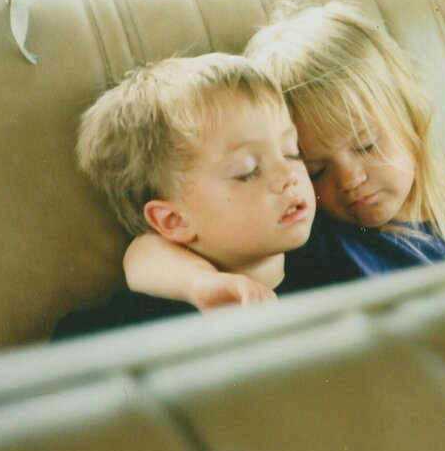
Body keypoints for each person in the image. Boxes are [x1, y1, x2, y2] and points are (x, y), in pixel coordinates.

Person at [123, 0, 445, 310]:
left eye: (366, 145)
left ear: (410, 116)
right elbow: (146, 251)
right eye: (316, 169)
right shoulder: (320, 239)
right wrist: (201, 284)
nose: (350, 179)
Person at [52, 53, 316, 340]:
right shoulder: (133, 331)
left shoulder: (335, 253)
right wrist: (202, 284)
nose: (288, 175)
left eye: (292, 151)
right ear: (174, 220)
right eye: (247, 171)